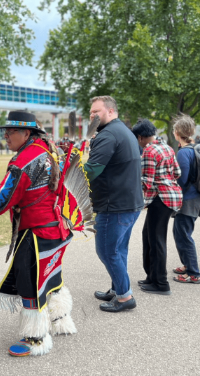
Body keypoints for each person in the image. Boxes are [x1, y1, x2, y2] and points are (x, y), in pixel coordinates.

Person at [0, 111, 79, 357]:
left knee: (30, 282)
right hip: (57, 229)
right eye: (4, 131)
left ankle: (36, 339)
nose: (5, 135)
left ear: (26, 133)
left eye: (10, 131)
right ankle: (61, 320)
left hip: (37, 233)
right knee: (51, 276)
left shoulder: (24, 160)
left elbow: (0, 201)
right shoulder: (48, 149)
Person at [84, 96, 144, 312]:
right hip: (129, 203)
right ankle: (118, 287)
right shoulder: (124, 131)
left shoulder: (108, 134)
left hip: (114, 205)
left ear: (110, 111)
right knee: (119, 250)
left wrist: (69, 176)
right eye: (90, 112)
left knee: (108, 252)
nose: (92, 116)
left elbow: (91, 170)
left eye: (96, 112)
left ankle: (125, 297)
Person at [132, 119, 182, 295]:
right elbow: (177, 172)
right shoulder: (167, 147)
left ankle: (161, 283)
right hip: (171, 197)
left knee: (156, 240)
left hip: (161, 198)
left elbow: (147, 182)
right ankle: (151, 277)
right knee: (149, 236)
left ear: (140, 137)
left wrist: (139, 203)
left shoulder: (149, 151)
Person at [172, 115, 200, 284]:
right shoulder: (194, 149)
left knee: (183, 235)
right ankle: (187, 264)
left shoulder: (183, 153)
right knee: (180, 233)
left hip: (187, 199)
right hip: (194, 197)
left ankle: (193, 272)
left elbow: (181, 179)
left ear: (177, 133)